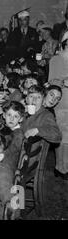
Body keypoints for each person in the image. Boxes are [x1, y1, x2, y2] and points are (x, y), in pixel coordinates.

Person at [49, 33, 68, 179]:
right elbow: (52, 82)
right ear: (65, 43)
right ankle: (60, 167)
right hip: (61, 103)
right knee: (63, 137)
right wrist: (63, 82)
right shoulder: (56, 59)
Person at [1, 101, 25, 172]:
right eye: (9, 115)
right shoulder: (9, 129)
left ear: (21, 119)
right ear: (4, 115)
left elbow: (10, 155)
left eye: (16, 116)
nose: (11, 119)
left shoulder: (18, 135)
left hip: (7, 167)